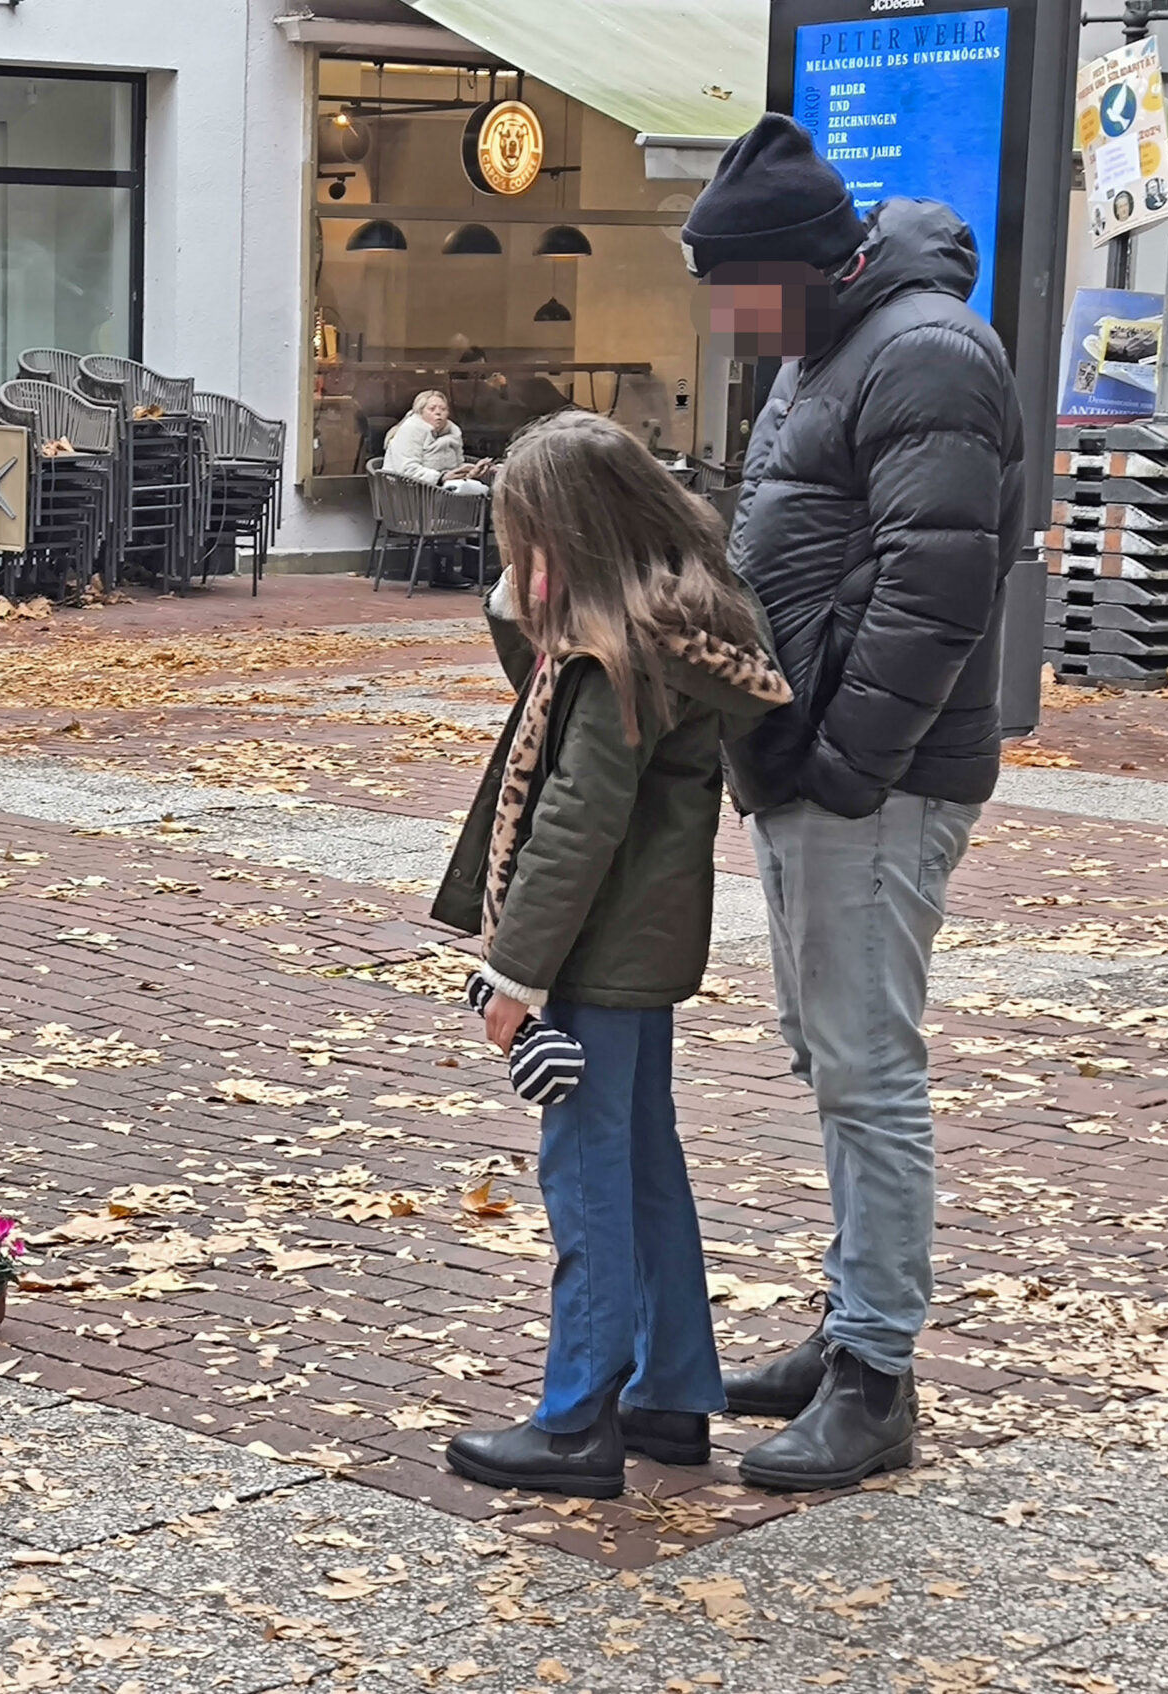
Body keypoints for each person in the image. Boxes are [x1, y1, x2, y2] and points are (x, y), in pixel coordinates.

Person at [678, 114, 1023, 1491]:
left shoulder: (921, 350)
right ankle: (850, 1330)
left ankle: (876, 1370)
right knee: (833, 1055)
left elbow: (937, 585)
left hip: (866, 776)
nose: (726, 316)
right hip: (816, 763)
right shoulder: (834, 347)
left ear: (814, 264)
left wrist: (839, 761)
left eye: (737, 287)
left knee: (868, 1069)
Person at [433, 411, 790, 1500]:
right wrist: (519, 600)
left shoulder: (614, 653)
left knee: (586, 1183)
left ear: (570, 534)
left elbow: (576, 817)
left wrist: (516, 971)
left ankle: (576, 1415)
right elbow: (538, 684)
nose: (515, 557)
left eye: (525, 537)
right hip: (638, 948)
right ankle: (671, 1391)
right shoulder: (665, 624)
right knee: (641, 1171)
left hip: (590, 956)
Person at [384, 390, 498, 495]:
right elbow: (407, 470)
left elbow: (457, 465)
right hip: (410, 494)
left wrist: (472, 471)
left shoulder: (453, 433)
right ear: (420, 412)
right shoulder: (410, 430)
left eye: (443, 409)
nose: (438, 413)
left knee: (485, 492)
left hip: (444, 491)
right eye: (432, 409)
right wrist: (440, 478)